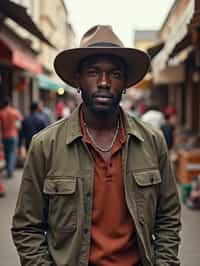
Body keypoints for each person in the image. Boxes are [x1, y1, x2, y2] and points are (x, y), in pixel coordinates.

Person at [12, 25, 181, 266]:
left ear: (124, 84)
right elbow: (26, 227)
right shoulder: (45, 145)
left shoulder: (152, 142)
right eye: (93, 72)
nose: (103, 82)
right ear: (78, 80)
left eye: (114, 74)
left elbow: (168, 219)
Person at [0, 97, 23, 178]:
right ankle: (10, 171)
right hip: (13, 134)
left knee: (6, 153)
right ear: (9, 103)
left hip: (4, 136)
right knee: (12, 153)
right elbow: (20, 121)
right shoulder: (14, 112)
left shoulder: (1, 113)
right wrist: (17, 128)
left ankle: (8, 169)